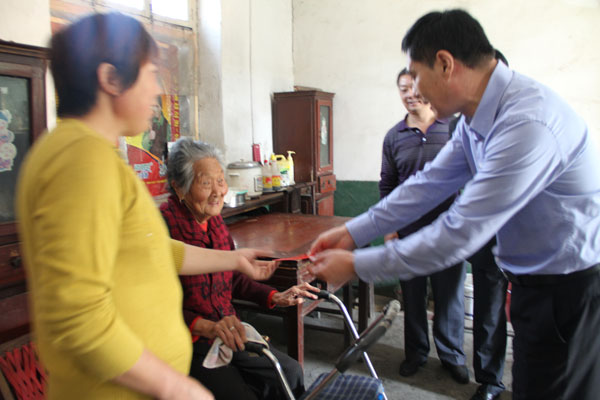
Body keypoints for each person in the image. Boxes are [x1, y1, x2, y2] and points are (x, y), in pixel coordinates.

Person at [309, 9, 600, 400]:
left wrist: (358, 264)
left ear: (445, 64)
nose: (414, 90)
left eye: (417, 75)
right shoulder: (473, 120)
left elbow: (459, 233)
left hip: (569, 293)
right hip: (534, 286)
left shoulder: (527, 123)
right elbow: (426, 185)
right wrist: (352, 231)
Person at [16, 13, 274, 400]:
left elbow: (151, 249)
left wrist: (234, 260)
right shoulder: (80, 163)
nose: (157, 89)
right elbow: (77, 318)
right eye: (151, 74)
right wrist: (177, 387)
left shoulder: (93, 156)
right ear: (110, 78)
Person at [160, 137, 319, 400]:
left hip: (228, 332)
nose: (218, 191)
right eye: (206, 183)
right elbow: (157, 306)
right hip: (190, 343)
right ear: (179, 187)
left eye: (220, 180)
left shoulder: (215, 224)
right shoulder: (165, 230)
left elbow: (231, 279)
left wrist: (274, 296)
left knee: (289, 372)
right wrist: (205, 327)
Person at [380, 69, 468, 383]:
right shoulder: (394, 136)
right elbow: (387, 185)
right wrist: (390, 230)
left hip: (449, 231)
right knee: (413, 297)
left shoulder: (454, 128)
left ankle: (452, 355)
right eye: (403, 88)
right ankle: (416, 354)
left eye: (415, 87)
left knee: (450, 297)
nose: (410, 94)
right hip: (408, 232)